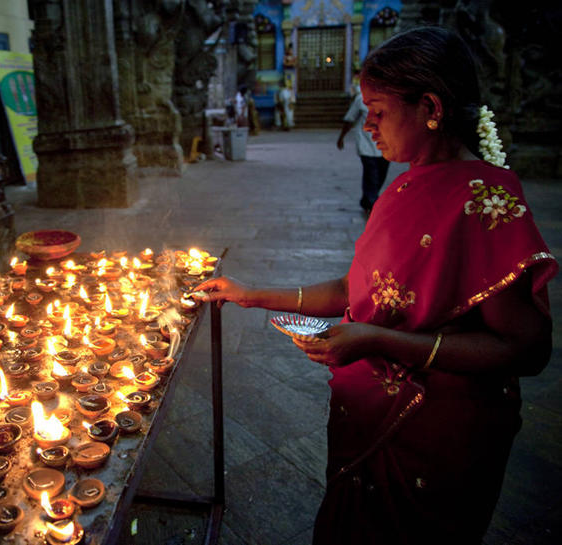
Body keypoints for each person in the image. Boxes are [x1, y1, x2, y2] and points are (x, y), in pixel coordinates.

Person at [194, 27, 557, 545]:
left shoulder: (486, 201)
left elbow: (526, 349)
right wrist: (250, 293)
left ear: (431, 108)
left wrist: (378, 339)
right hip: (368, 412)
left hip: (435, 435)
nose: (367, 125)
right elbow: (358, 289)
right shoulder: (405, 183)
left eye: (379, 111)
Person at [337, 82, 390, 213]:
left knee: (381, 174)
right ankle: (373, 202)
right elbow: (350, 119)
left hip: (386, 144)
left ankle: (367, 199)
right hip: (366, 143)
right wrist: (341, 137)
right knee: (371, 174)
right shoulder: (361, 99)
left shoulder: (391, 99)